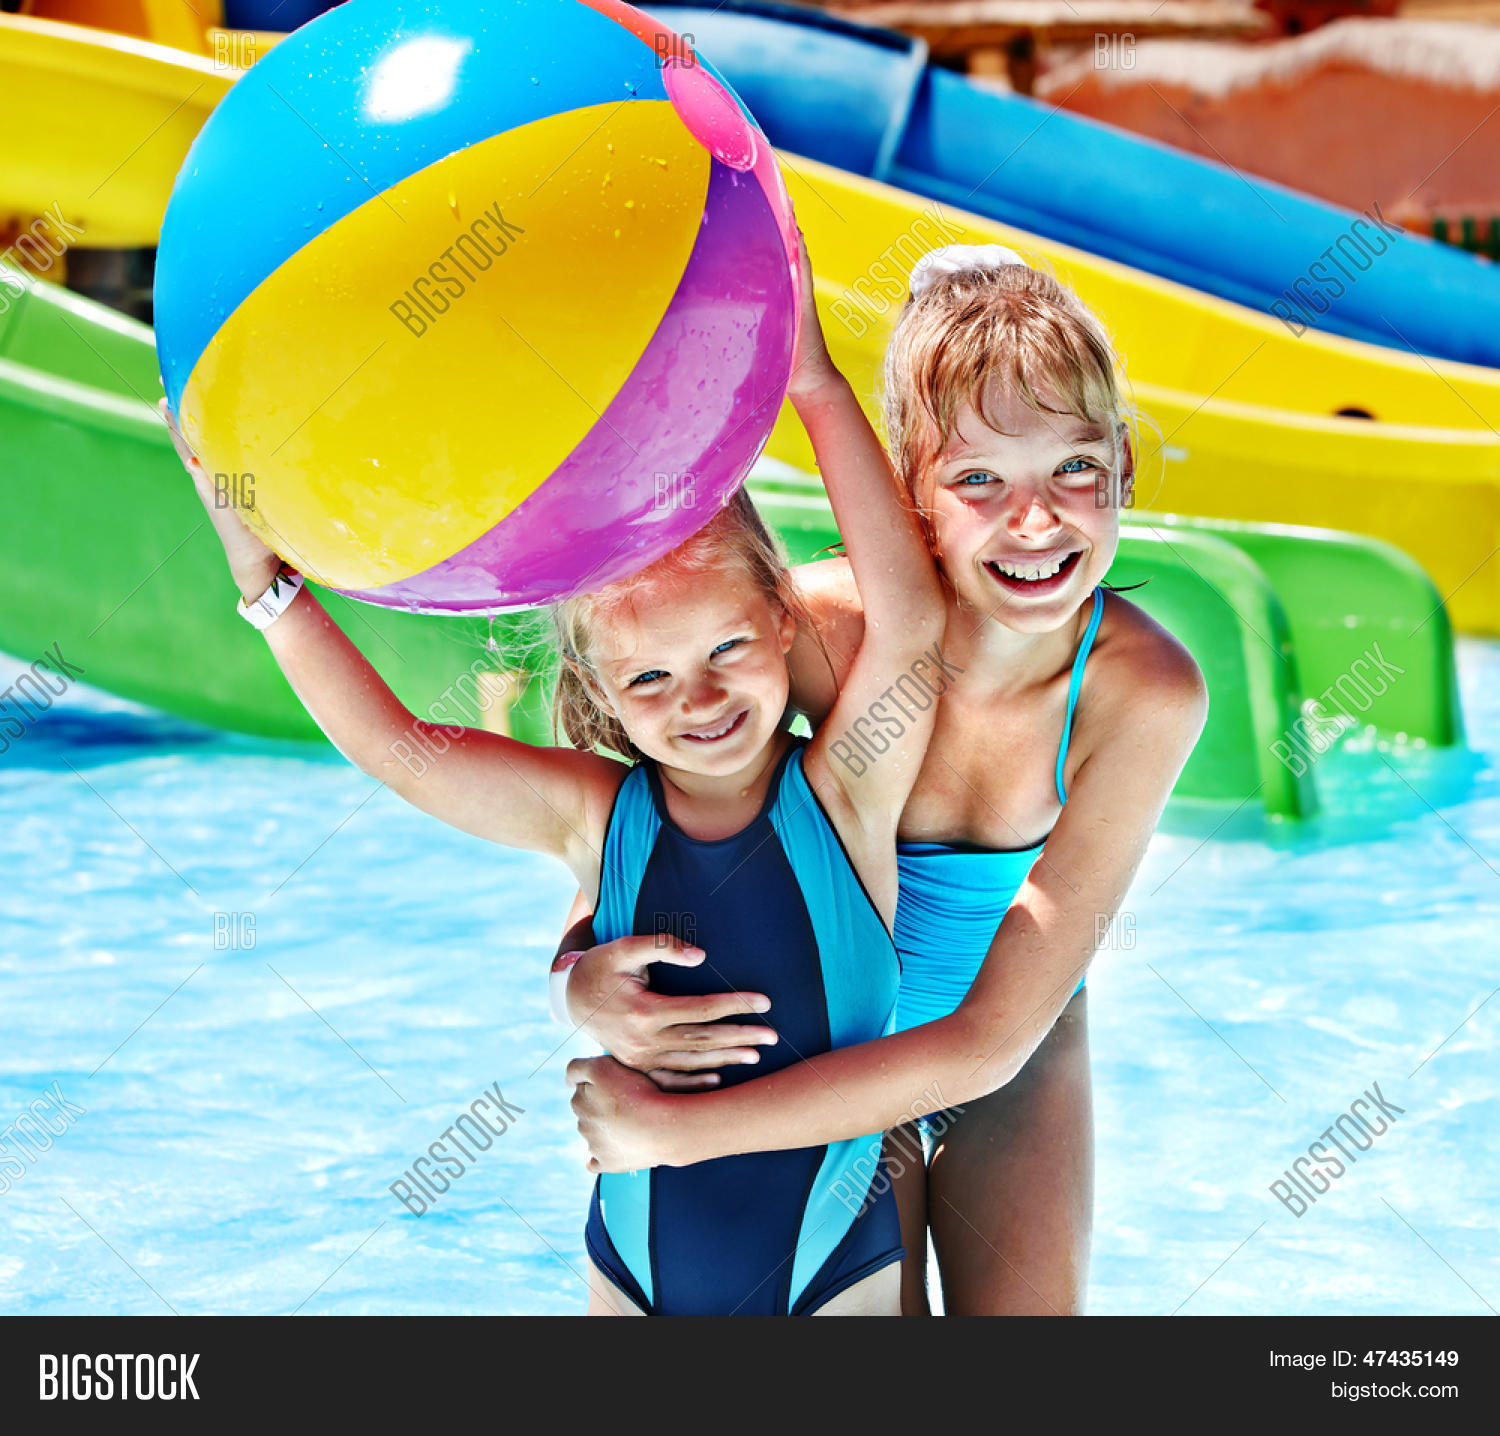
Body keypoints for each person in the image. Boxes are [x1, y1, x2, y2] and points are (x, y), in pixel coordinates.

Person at [159, 228, 945, 1316]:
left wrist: (809, 377)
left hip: (829, 1267)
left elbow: (908, 621)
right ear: (604, 690)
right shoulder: (597, 815)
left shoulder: (843, 793)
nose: (699, 701)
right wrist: (270, 587)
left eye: (725, 651)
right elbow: (399, 753)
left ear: (782, 616)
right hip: (631, 1261)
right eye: (652, 678)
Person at [565, 243, 1209, 1315]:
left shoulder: (1140, 695)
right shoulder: (819, 640)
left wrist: (682, 1132)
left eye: (1075, 468)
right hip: (828, 1046)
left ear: (1124, 469)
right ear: (912, 493)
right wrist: (577, 971)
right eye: (979, 480)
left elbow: (990, 1039)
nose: (1037, 519)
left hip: (1006, 1052)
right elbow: (641, 829)